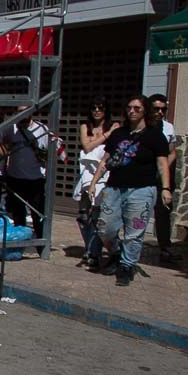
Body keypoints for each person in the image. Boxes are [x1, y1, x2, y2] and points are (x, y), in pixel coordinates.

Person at [88, 95, 170, 286]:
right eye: (129, 108)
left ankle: (127, 265)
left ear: (145, 111)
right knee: (105, 228)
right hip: (115, 187)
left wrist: (165, 188)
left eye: (137, 108)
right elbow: (106, 160)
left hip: (142, 189)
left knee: (134, 232)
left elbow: (162, 163)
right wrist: (94, 182)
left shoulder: (155, 135)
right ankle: (116, 253)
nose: (132, 111)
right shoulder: (119, 133)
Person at [74, 100, 118, 267]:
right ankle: (89, 248)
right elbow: (86, 146)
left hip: (103, 175)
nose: (97, 111)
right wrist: (106, 135)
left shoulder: (114, 126)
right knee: (83, 216)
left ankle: (94, 251)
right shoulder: (86, 126)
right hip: (85, 175)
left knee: (98, 216)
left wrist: (102, 137)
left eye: (101, 107)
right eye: (94, 107)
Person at [0, 109, 50, 243]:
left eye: (25, 111)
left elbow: (47, 153)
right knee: (18, 214)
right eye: (19, 112)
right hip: (15, 177)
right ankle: (19, 243)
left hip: (35, 178)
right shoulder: (11, 128)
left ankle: (40, 242)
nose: (22, 115)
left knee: (37, 213)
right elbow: (3, 147)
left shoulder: (41, 129)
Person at [147, 94, 180, 264]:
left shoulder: (168, 128)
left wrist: (164, 167)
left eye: (163, 109)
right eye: (156, 109)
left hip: (162, 177)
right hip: (145, 174)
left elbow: (172, 151)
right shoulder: (143, 126)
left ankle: (165, 247)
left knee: (163, 212)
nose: (160, 112)